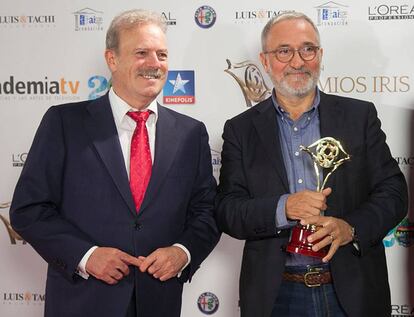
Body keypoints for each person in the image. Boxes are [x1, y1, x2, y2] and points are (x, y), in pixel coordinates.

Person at [10, 9, 219, 317]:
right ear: (112, 59)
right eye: (141, 53)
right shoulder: (65, 123)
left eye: (162, 54)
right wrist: (86, 255)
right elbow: (28, 210)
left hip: (159, 302)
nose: (154, 64)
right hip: (82, 302)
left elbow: (207, 211)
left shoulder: (191, 133)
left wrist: (182, 252)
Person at [215, 11, 407, 317]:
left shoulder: (359, 117)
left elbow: (394, 193)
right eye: (284, 51)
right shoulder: (240, 129)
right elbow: (227, 210)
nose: (297, 61)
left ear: (320, 55)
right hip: (276, 296)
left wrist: (350, 228)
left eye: (307, 49)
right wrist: (284, 208)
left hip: (353, 292)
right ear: (265, 61)